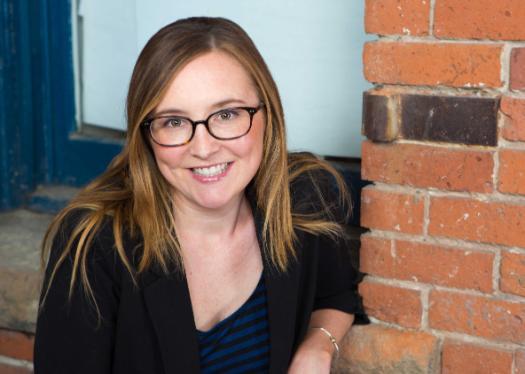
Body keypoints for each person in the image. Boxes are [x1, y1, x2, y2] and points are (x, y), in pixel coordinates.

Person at [34, 17, 365, 373]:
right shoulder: (96, 244)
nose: (204, 148)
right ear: (146, 134)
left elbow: (335, 295)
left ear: (268, 114)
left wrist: (318, 346)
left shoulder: (301, 200)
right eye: (174, 122)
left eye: (226, 114)